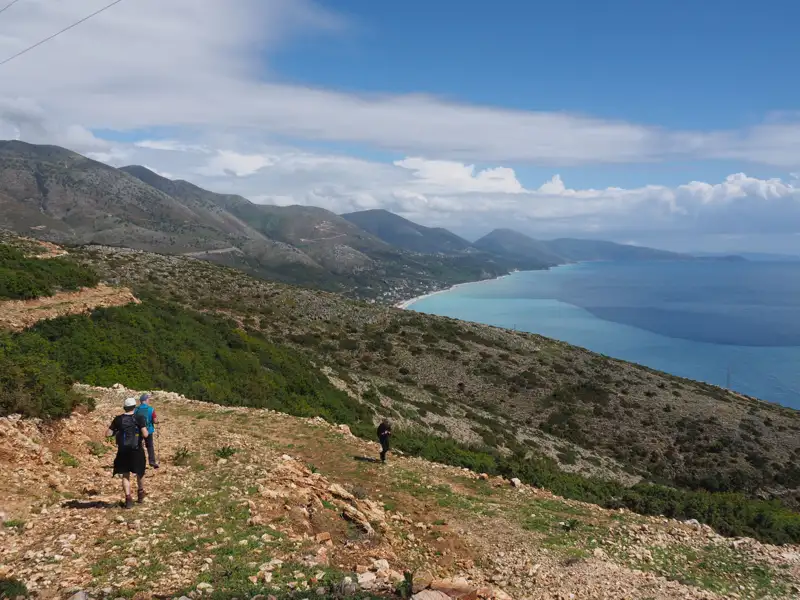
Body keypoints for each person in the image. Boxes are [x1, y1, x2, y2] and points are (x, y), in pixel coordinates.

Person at [107, 397, 149, 508]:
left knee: (125, 474)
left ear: (124, 408)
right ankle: (140, 494)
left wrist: (116, 431)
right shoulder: (139, 418)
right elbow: (145, 434)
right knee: (140, 472)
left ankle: (128, 499)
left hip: (123, 450)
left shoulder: (118, 419)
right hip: (136, 449)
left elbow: (107, 433)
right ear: (134, 407)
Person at [134, 393, 159, 468]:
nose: (149, 401)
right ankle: (152, 461)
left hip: (138, 430)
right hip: (149, 430)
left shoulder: (136, 409)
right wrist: (157, 421)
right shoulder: (151, 409)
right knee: (150, 446)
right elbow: (155, 421)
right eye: (148, 399)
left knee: (138, 446)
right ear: (145, 400)